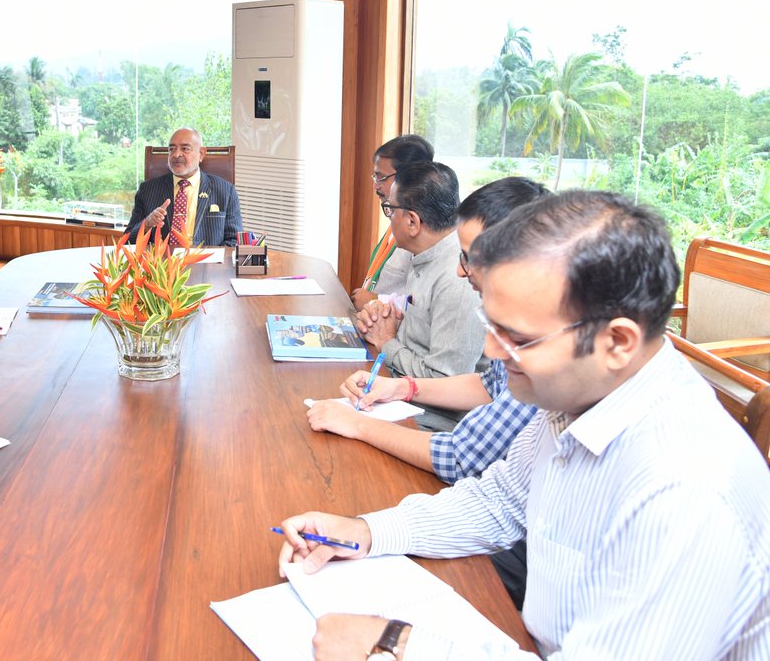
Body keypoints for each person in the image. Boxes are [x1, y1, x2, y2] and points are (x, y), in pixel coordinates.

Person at [278, 191, 770, 659]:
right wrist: (364, 532)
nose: (492, 351)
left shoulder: (685, 489)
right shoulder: (579, 396)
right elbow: (501, 500)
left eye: (517, 337)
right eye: (491, 324)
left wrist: (392, 645)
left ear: (617, 341)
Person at [309, 177, 547, 484]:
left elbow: (460, 458)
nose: (460, 270)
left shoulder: (541, 352)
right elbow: (489, 384)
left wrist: (357, 425)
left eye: (468, 259)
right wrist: (402, 387)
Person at [355, 162, 486, 387]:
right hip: (395, 383)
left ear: (412, 222)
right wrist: (386, 320)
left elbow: (445, 382)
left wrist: (386, 342)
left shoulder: (457, 280)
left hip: (426, 415)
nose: (389, 217)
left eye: (390, 210)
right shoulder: (424, 254)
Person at [351, 135, 434, 310]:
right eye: (375, 178)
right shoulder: (396, 217)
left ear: (408, 177)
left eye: (381, 178)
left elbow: (421, 304)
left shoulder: (422, 231)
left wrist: (376, 300)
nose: (375, 186)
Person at [124, 127, 241, 247]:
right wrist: (147, 224)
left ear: (201, 153)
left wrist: (214, 262)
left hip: (206, 263)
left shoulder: (226, 191)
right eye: (171, 149)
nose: (176, 154)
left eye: (185, 149)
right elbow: (127, 240)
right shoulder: (147, 190)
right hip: (161, 263)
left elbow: (234, 240)